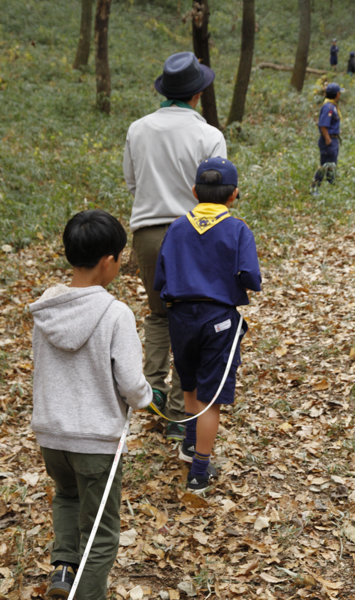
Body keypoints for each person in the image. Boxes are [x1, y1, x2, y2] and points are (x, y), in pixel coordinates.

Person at [29, 209, 152, 600]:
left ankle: (63, 571)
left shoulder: (45, 310)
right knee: (102, 534)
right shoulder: (116, 314)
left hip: (52, 437)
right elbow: (132, 383)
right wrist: (147, 399)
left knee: (67, 496)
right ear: (108, 261)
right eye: (120, 257)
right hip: (97, 443)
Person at [123, 51, 227, 442]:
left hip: (147, 233)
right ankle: (181, 413)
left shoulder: (138, 129)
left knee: (157, 314)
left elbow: (132, 184)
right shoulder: (209, 135)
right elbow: (215, 197)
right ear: (198, 94)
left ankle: (152, 389)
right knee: (191, 318)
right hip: (194, 233)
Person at [154, 157, 262, 493]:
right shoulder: (238, 229)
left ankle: (188, 444)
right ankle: (199, 472)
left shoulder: (176, 226)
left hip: (180, 316)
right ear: (234, 195)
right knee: (210, 396)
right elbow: (251, 278)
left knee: (187, 382)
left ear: (193, 191)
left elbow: (161, 277)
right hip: (218, 320)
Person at [311, 82, 344, 195]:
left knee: (331, 165)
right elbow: (323, 125)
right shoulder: (328, 107)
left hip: (333, 139)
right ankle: (315, 188)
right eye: (339, 93)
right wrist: (328, 139)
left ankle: (331, 186)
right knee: (324, 165)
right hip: (328, 141)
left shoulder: (332, 105)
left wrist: (336, 131)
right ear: (337, 94)